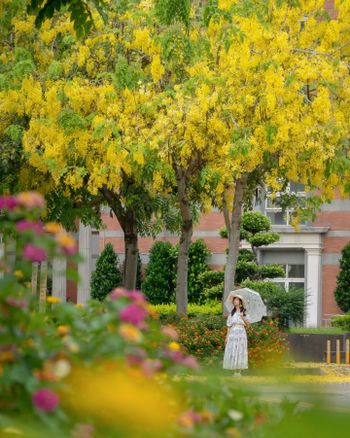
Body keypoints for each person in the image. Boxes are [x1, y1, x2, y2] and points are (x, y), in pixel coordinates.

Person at [223, 294, 250, 377]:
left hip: (241, 332)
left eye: (237, 300)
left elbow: (248, 325)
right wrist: (227, 337)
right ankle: (235, 371)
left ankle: (239, 371)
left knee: (240, 350)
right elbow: (228, 326)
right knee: (233, 350)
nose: (235, 301)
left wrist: (242, 317)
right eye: (234, 300)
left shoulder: (244, 312)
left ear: (240, 302)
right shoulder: (232, 313)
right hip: (233, 333)